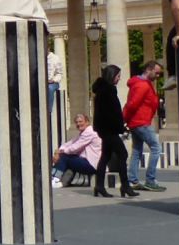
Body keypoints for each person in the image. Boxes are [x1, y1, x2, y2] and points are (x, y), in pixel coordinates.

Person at [91, 65, 138, 198]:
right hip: (109, 129)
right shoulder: (109, 90)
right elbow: (112, 113)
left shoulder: (101, 90)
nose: (119, 79)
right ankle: (125, 185)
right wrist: (120, 127)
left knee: (105, 156)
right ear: (111, 76)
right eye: (118, 76)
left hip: (104, 128)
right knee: (122, 154)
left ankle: (99, 186)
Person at [124, 61, 165, 192]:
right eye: (157, 73)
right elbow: (132, 104)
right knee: (156, 148)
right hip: (141, 122)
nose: (158, 76)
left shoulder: (141, 83)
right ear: (149, 70)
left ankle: (133, 180)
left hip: (137, 122)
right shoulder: (142, 85)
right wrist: (124, 119)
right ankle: (150, 180)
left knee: (137, 150)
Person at [50, 114, 103, 188]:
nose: (78, 124)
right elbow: (70, 143)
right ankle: (62, 182)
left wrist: (59, 152)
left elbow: (74, 148)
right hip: (86, 161)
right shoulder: (83, 133)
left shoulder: (89, 133)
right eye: (76, 122)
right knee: (68, 159)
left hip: (92, 165)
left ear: (87, 122)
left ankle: (54, 178)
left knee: (64, 157)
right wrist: (58, 151)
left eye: (80, 121)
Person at [46, 47, 64, 122]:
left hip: (52, 83)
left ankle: (49, 110)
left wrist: (53, 80)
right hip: (41, 82)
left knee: (49, 89)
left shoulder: (55, 58)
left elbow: (59, 73)